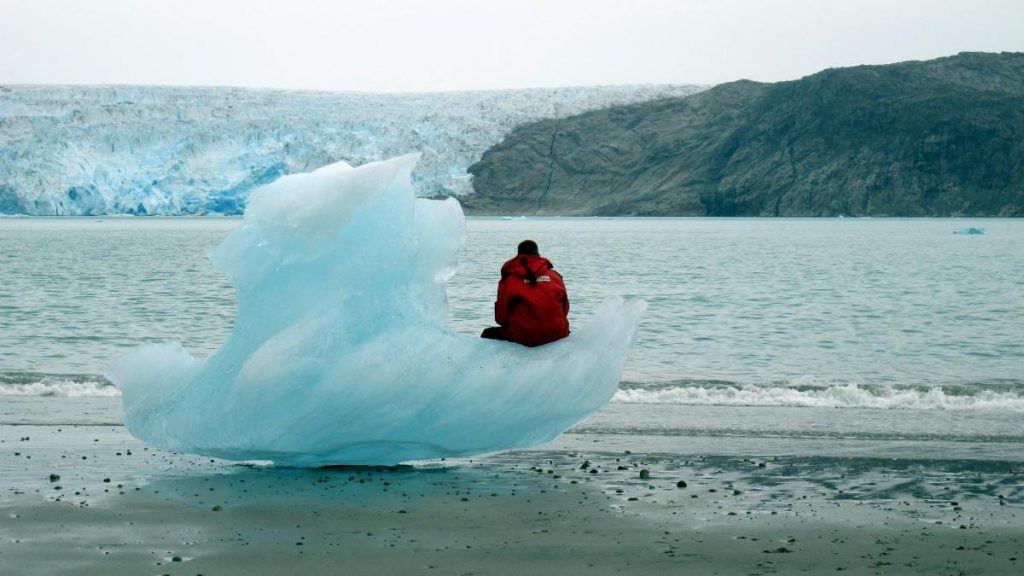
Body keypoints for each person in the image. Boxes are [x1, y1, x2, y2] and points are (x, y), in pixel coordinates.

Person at [481, 240, 570, 347]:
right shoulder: (555, 276)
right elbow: (564, 309)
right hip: (558, 333)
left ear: (518, 255)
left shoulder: (509, 279)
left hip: (525, 336)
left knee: (487, 334)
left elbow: (501, 318)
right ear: (538, 255)